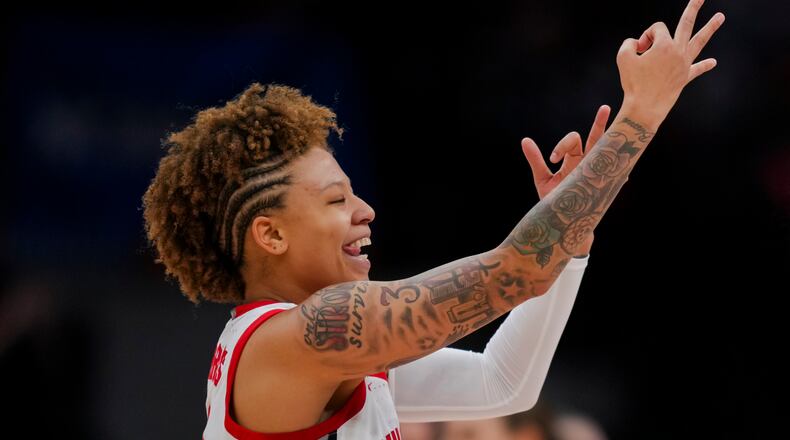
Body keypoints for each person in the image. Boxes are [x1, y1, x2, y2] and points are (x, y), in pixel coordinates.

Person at [141, 1, 724, 438]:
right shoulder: (312, 333)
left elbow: (503, 385)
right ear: (270, 233)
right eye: (336, 201)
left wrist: (573, 235)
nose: (365, 211)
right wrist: (640, 114)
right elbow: (512, 273)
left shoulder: (328, 353)